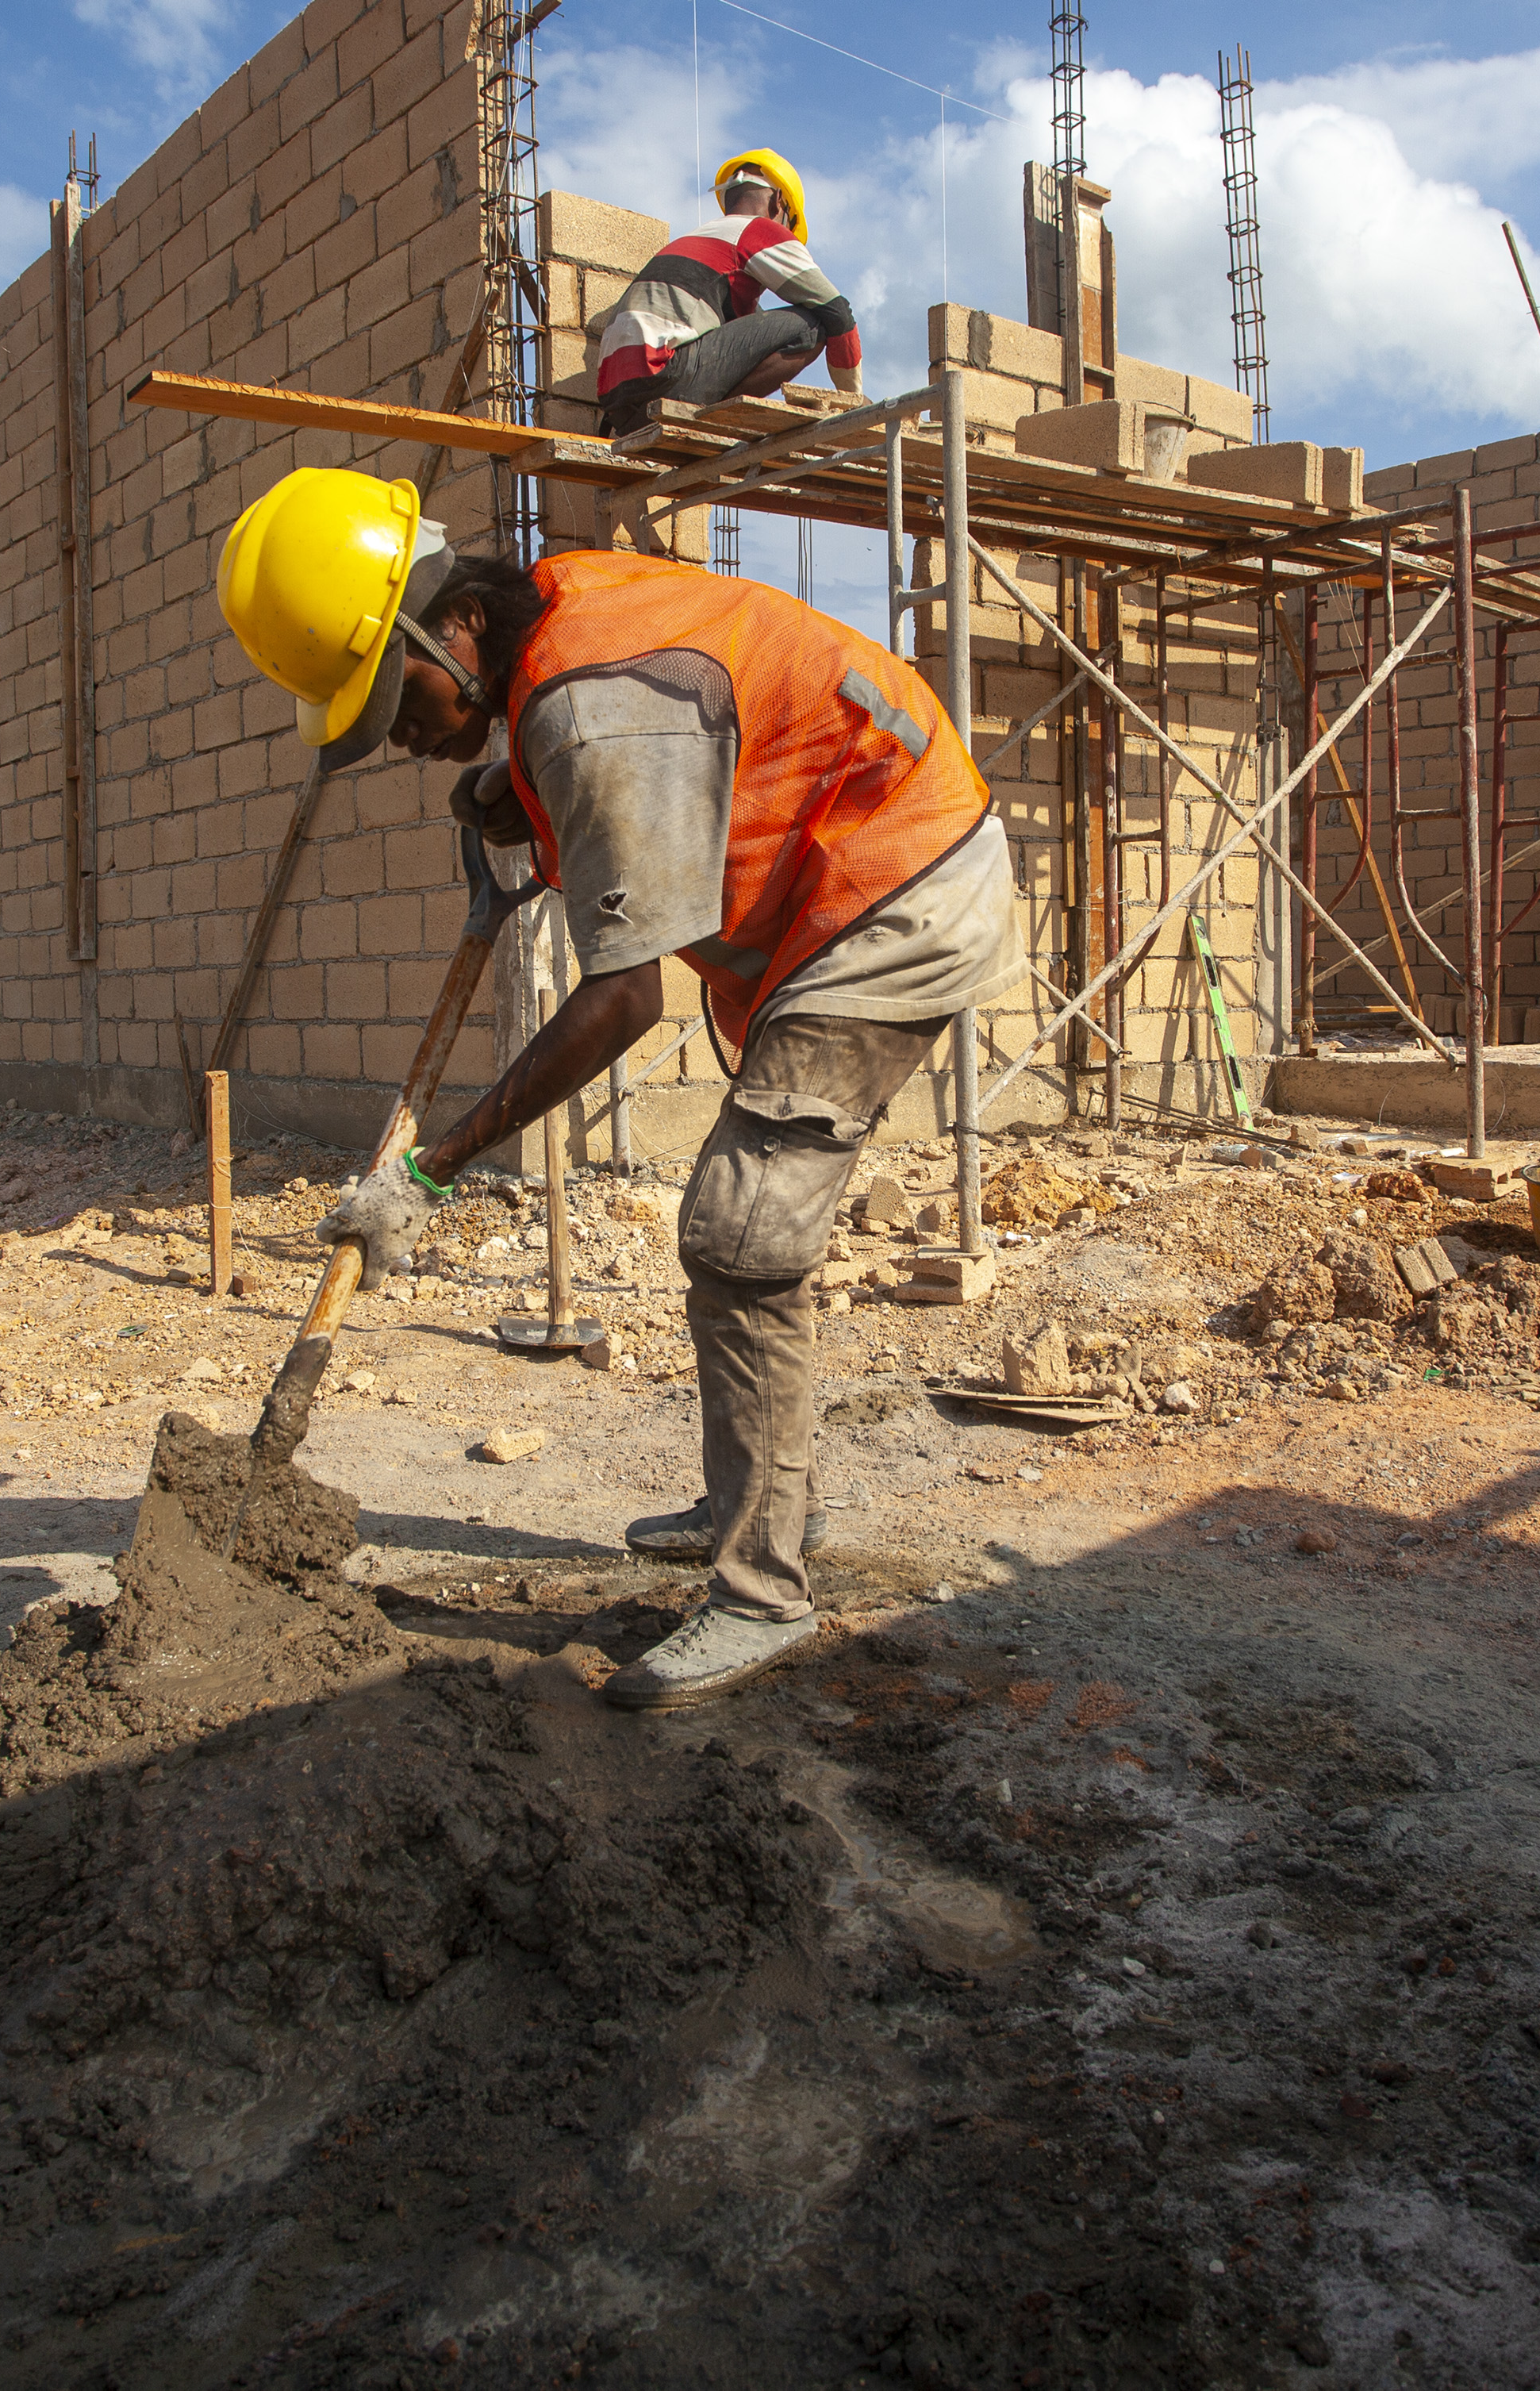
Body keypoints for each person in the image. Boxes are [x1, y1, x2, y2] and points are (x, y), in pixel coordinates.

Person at [217, 467, 1012, 1713]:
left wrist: (429, 1170)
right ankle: (760, 1499)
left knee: (741, 1232)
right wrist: (522, 791)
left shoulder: (587, 712)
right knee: (746, 1235)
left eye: (396, 699)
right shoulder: (556, 611)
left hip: (898, 884)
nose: (400, 738)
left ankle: (762, 1591)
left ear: (454, 626)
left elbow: (624, 998)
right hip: (857, 864)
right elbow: (648, 746)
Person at [589, 148, 864, 439]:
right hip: (664, 378)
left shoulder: (697, 240)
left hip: (620, 409)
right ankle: (720, 416)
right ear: (779, 202)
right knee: (812, 325)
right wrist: (854, 402)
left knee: (753, 317)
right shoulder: (758, 230)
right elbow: (838, 312)